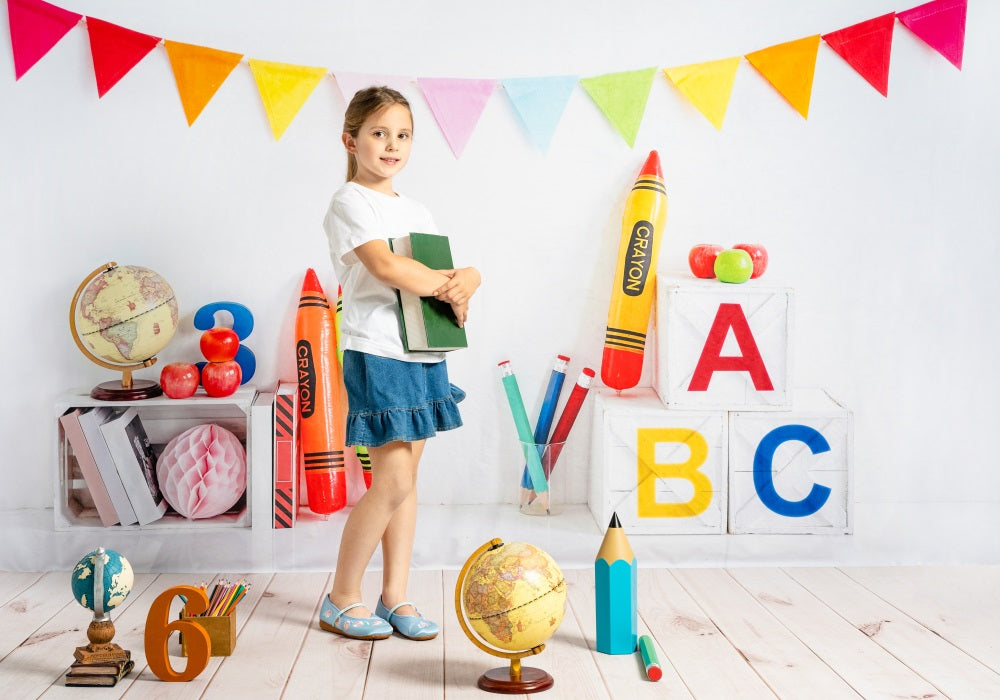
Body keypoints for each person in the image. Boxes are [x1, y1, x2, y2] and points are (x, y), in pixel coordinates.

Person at [318, 86, 480, 641]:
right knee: (389, 480)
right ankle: (341, 597)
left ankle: (394, 596)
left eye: (403, 135)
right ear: (351, 140)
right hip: (378, 351)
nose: (392, 145)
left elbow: (447, 272)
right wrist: (454, 286)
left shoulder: (417, 209)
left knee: (407, 481)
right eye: (379, 133)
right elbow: (386, 267)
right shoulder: (350, 201)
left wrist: (469, 280)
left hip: (423, 351)